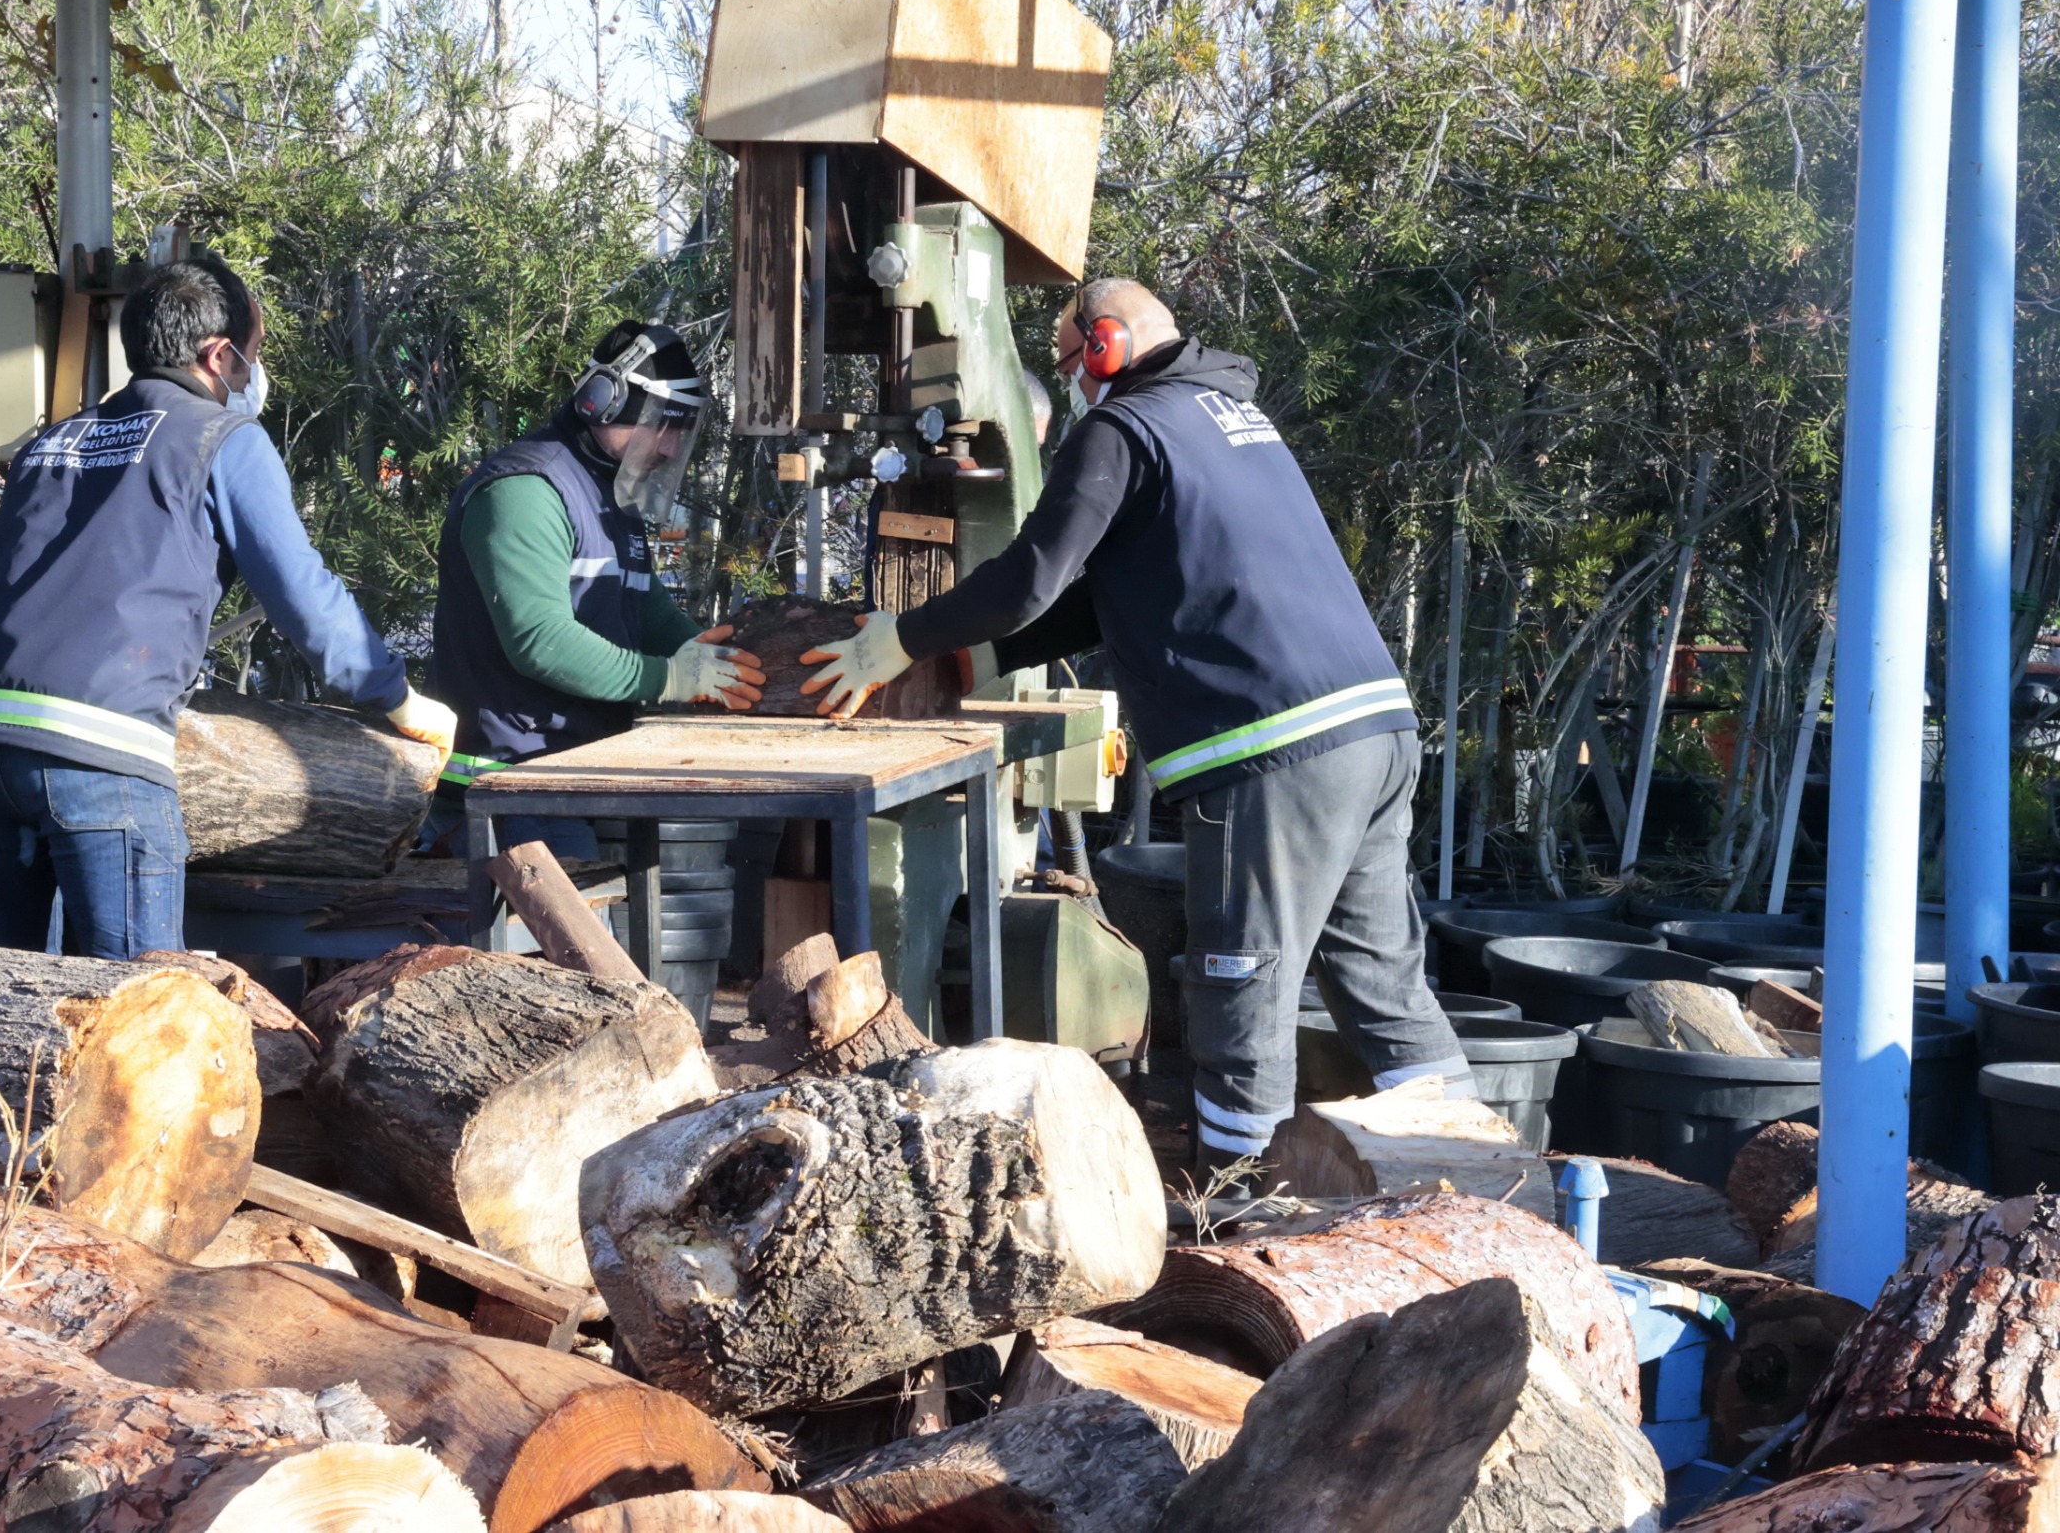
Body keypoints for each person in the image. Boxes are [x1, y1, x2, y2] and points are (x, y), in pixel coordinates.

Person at [801, 278, 1472, 1174]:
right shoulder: (1233, 424)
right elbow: (1099, 600)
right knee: (1384, 986)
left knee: (1242, 991)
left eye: (1075, 364)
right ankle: (1483, 1178)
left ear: (1108, 347)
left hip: (1272, 750)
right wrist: (964, 663)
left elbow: (1032, 576)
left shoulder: (1122, 428)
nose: (1075, 384)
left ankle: (1237, 1213)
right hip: (1377, 733)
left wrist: (900, 638)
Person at [0, 256, 455, 959]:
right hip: (100, 752)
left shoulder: (51, 442)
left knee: (11, 996)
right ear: (219, 356)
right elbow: (304, 596)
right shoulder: (223, 439)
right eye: (253, 359)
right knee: (135, 1012)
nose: (252, 377)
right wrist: (398, 699)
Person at [429, 320, 764, 860]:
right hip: (506, 785)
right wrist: (670, 677)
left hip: (568, 775)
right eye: (664, 425)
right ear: (601, 401)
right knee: (574, 945)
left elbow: (643, 603)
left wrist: (708, 655)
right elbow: (542, 641)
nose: (671, 445)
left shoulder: (608, 493)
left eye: (683, 429)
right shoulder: (525, 491)